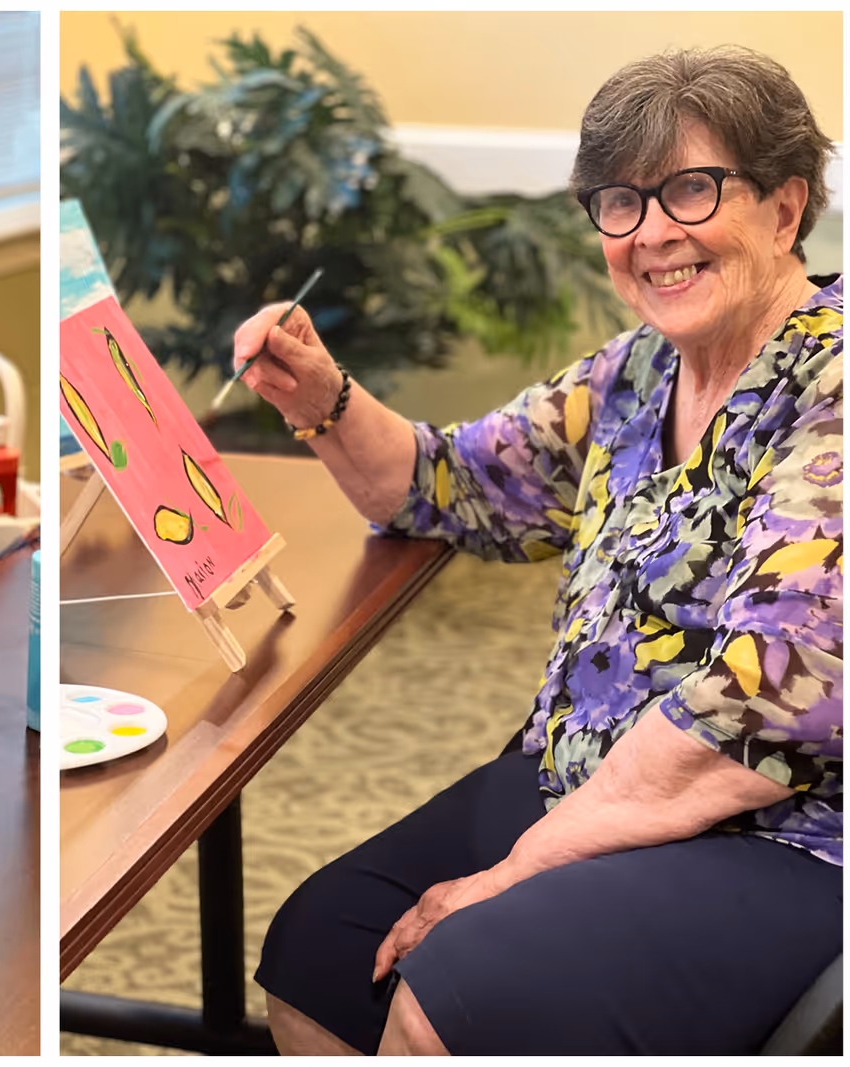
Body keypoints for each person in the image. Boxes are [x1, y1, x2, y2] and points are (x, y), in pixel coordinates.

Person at [239, 47, 841, 1055]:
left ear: (784, 209)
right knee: (320, 953)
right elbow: (457, 483)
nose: (652, 232)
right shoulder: (639, 366)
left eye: (690, 190)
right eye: (620, 200)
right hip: (591, 778)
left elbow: (769, 694)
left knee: (456, 996)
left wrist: (512, 871)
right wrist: (321, 398)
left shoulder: (830, 383)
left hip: (778, 833)